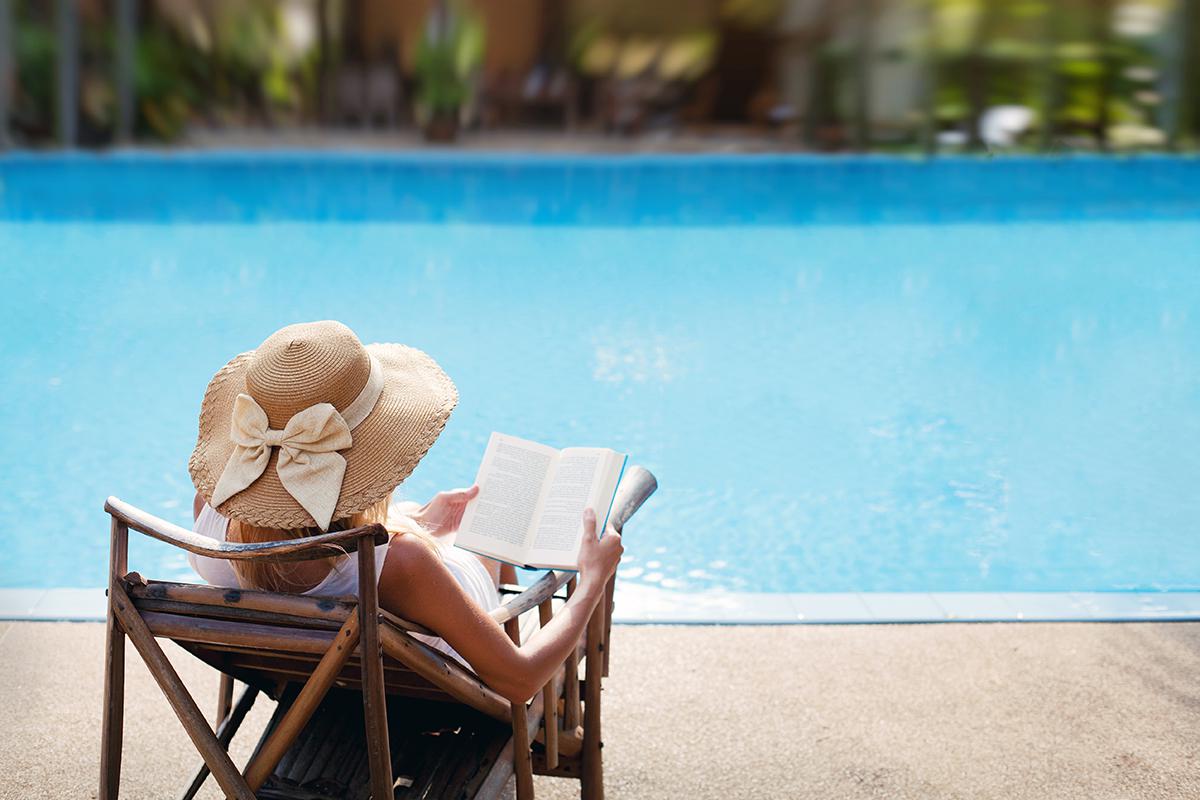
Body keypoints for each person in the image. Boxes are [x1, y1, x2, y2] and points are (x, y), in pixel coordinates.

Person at [186, 320, 622, 704]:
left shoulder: (213, 512)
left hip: (321, 686)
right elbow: (519, 679)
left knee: (458, 524)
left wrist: (422, 520)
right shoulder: (403, 564)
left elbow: (325, 549)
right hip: (433, 690)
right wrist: (591, 581)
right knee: (485, 536)